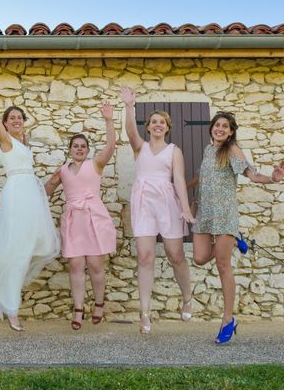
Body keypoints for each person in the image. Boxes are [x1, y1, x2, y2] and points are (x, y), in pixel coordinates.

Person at [0, 63, 60, 331]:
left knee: (28, 248)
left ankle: (9, 298)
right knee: (16, 251)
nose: (16, 120)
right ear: (5, 124)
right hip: (17, 193)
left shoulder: (24, 143)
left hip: (30, 192)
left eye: (20, 117)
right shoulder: (6, 141)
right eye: (12, 118)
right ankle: (12, 308)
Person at [190, 111, 284, 344]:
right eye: (217, 125)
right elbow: (202, 178)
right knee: (200, 258)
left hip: (225, 215)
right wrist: (180, 188)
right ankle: (236, 238)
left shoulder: (232, 150)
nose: (220, 129)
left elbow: (251, 174)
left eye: (225, 126)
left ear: (231, 132)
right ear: (211, 128)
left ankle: (227, 319)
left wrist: (273, 178)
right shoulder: (208, 150)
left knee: (223, 266)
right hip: (205, 213)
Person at [121, 86, 195, 335]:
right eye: (153, 122)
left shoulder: (174, 151)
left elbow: (179, 181)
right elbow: (130, 130)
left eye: (162, 122)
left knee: (176, 255)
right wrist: (129, 107)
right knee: (144, 257)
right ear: (148, 127)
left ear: (167, 127)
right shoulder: (139, 147)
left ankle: (187, 297)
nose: (157, 125)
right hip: (143, 203)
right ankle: (144, 313)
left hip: (167, 202)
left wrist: (185, 209)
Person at [45, 100, 116, 330]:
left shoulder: (95, 164)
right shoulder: (63, 169)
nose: (79, 149)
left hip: (93, 218)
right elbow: (46, 192)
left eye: (82, 146)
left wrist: (108, 120)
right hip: (74, 221)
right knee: (75, 265)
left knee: (95, 265)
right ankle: (78, 308)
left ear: (86, 150)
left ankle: (98, 304)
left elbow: (111, 147)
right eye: (75, 146)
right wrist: (53, 180)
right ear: (69, 149)